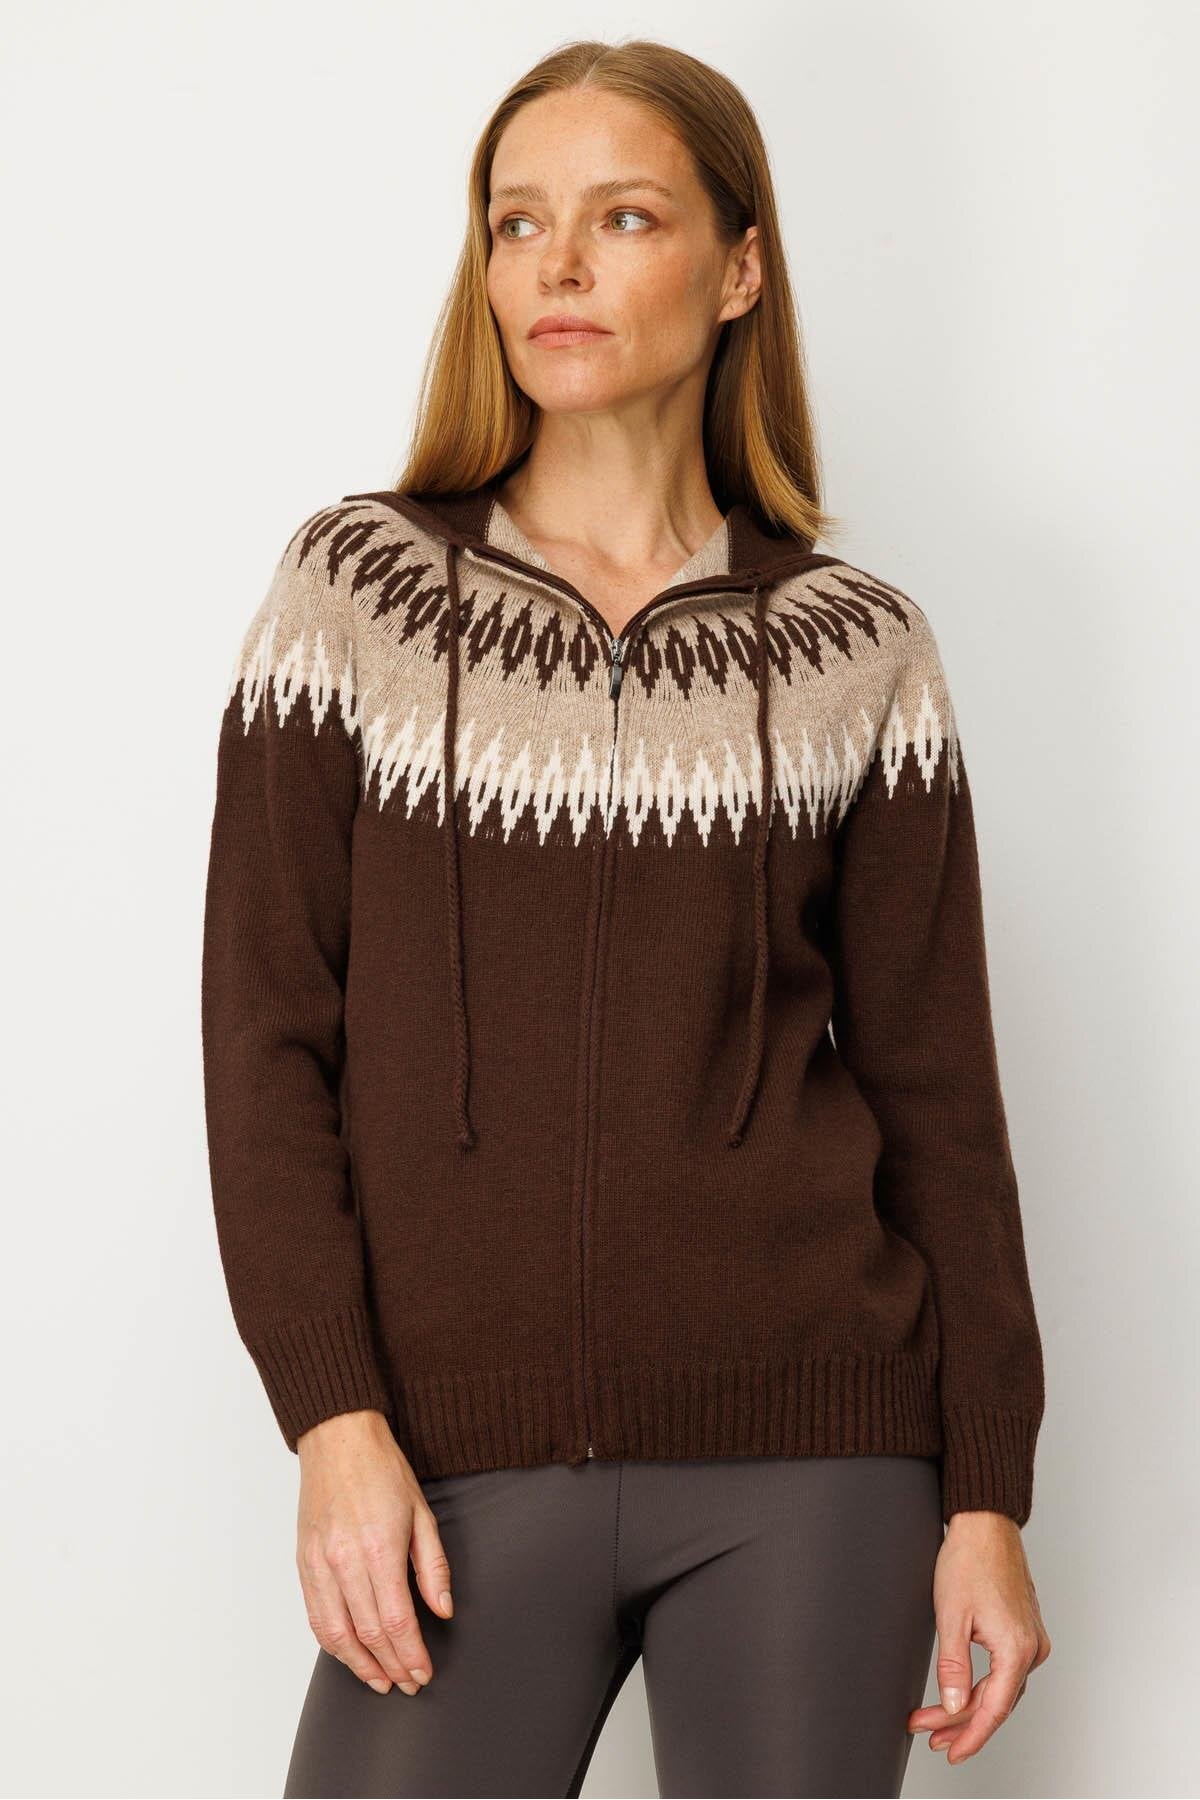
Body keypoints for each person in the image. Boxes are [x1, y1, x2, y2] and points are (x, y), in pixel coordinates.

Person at [200, 36, 1051, 1800]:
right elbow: (264, 1038)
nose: (558, 267)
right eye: (518, 223)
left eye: (624, 217)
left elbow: (940, 1104)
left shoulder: (858, 649)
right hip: (452, 1459)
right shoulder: (357, 595)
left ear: (739, 269)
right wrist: (332, 1418)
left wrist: (987, 1496)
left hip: (812, 1461)